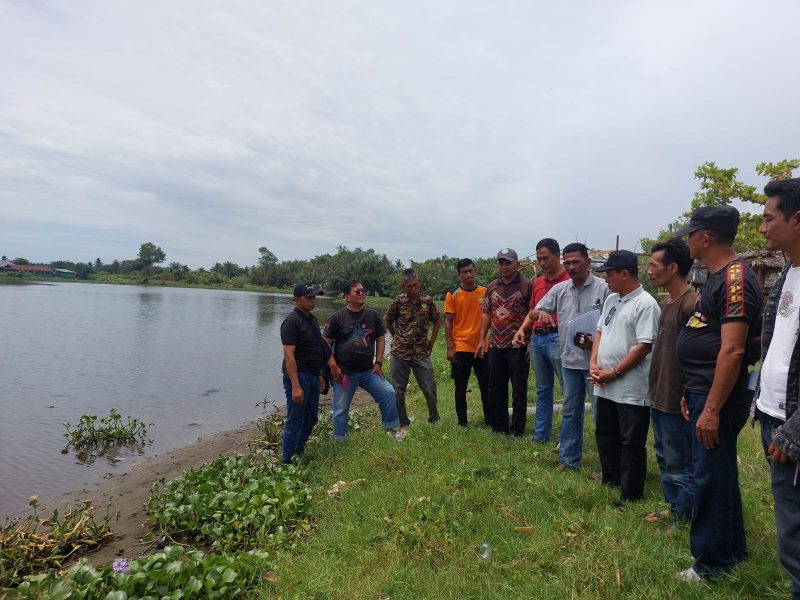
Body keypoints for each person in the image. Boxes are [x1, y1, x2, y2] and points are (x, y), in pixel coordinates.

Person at [674, 205, 763, 581]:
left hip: (718, 397)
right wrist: (689, 389)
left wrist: (710, 408)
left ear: (705, 238)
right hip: (701, 391)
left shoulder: (736, 278)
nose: (687, 240)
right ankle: (732, 550)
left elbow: (733, 350)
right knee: (720, 472)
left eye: (691, 234)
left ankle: (711, 564)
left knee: (709, 476)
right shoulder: (713, 277)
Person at [527, 242, 609, 470]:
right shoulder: (560, 290)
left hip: (596, 363)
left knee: (601, 415)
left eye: (577, 262)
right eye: (568, 262)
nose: (571, 267)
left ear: (588, 263)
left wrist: (595, 343)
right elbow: (534, 311)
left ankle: (608, 464)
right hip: (569, 362)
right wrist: (540, 314)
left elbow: (615, 323)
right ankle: (569, 460)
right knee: (571, 412)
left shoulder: (603, 289)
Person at [756, 176, 800, 598]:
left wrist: (794, 432)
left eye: (769, 219)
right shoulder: (787, 271)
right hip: (774, 416)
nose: (763, 228)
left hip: (794, 428)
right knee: (790, 531)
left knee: (797, 537)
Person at [589, 250, 660, 504]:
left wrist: (615, 372)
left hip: (630, 387)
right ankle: (611, 479)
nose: (606, 279)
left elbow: (643, 346)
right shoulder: (612, 300)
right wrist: (593, 362)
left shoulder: (645, 304)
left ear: (624, 273)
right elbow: (599, 332)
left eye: (609, 274)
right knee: (606, 434)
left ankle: (631, 493)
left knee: (630, 440)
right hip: (604, 383)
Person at [645, 238, 697, 523]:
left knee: (680, 462)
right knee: (664, 456)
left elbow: (697, 358)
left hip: (678, 398)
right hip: (659, 393)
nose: (649, 271)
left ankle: (684, 517)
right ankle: (673, 507)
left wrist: (686, 393)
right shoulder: (667, 302)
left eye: (654, 265)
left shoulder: (691, 304)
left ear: (673, 267)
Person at [323, 280, 402, 441]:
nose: (361, 293)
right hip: (344, 373)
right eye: (357, 292)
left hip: (368, 371)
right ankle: (340, 441)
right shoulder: (337, 317)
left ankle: (392, 431)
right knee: (340, 409)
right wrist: (332, 366)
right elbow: (325, 344)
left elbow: (380, 339)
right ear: (347, 297)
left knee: (389, 393)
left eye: (363, 291)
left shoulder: (372, 315)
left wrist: (378, 363)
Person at [513, 239, 570, 443]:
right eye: (538, 259)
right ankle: (540, 435)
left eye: (545, 258)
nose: (541, 262)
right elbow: (532, 311)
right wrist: (523, 332)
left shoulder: (570, 280)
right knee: (543, 389)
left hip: (559, 338)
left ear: (558, 256)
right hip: (538, 339)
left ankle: (567, 436)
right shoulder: (537, 282)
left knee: (568, 389)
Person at [476, 248, 532, 436]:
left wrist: (530, 341)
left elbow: (533, 314)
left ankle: (516, 429)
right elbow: (486, 313)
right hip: (495, 345)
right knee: (495, 387)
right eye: (501, 262)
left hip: (518, 345)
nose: (504, 266)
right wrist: (482, 338)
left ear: (516, 264)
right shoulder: (492, 286)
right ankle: (498, 426)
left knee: (518, 389)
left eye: (508, 262)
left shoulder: (527, 285)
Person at [280, 282, 332, 464]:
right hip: (298, 376)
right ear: (296, 300)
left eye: (314, 297)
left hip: (312, 376)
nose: (313, 301)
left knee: (310, 418)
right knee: (295, 420)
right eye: (309, 297)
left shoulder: (312, 320)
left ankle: (297, 453)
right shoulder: (291, 322)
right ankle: (287, 462)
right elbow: (288, 356)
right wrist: (295, 385)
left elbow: (317, 347)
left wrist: (319, 374)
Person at [385, 269, 441, 430]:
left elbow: (437, 320)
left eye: (415, 285)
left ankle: (434, 420)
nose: (413, 289)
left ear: (419, 282)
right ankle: (403, 423)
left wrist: (431, 343)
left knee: (429, 387)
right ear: (403, 286)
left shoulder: (427, 301)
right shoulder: (398, 302)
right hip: (400, 353)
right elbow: (388, 321)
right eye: (409, 286)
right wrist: (396, 337)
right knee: (398, 389)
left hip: (422, 352)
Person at [444, 258, 490, 426]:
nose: (468, 274)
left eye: (471, 271)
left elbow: (490, 316)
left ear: (475, 271)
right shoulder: (453, 294)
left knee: (486, 386)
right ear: (459, 275)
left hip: (482, 346)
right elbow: (448, 321)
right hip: (461, 346)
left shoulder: (485, 292)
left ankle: (489, 419)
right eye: (464, 272)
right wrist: (450, 347)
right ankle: (462, 422)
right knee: (460, 386)